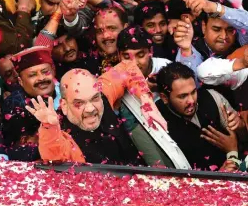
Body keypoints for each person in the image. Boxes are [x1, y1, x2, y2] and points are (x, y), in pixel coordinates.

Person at [26, 60, 167, 164]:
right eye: (79, 103)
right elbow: (53, 155)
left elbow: (127, 67)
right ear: (64, 105)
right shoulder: (59, 131)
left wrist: (146, 101)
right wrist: (49, 127)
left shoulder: (103, 93)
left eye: (94, 99)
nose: (90, 109)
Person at [155, 62, 246, 171]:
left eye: (193, 92)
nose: (191, 101)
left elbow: (243, 140)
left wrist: (240, 126)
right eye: (183, 96)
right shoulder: (156, 121)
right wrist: (217, 177)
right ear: (164, 97)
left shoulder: (212, 98)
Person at [117, 26, 173, 167]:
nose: (134, 63)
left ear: (150, 52)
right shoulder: (115, 76)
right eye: (126, 57)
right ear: (118, 55)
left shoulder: (166, 68)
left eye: (140, 55)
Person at [1, 46, 61, 161]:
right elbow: (16, 150)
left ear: (53, 72)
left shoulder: (67, 92)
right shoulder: (15, 104)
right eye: (33, 75)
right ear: (21, 82)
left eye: (45, 72)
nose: (41, 78)